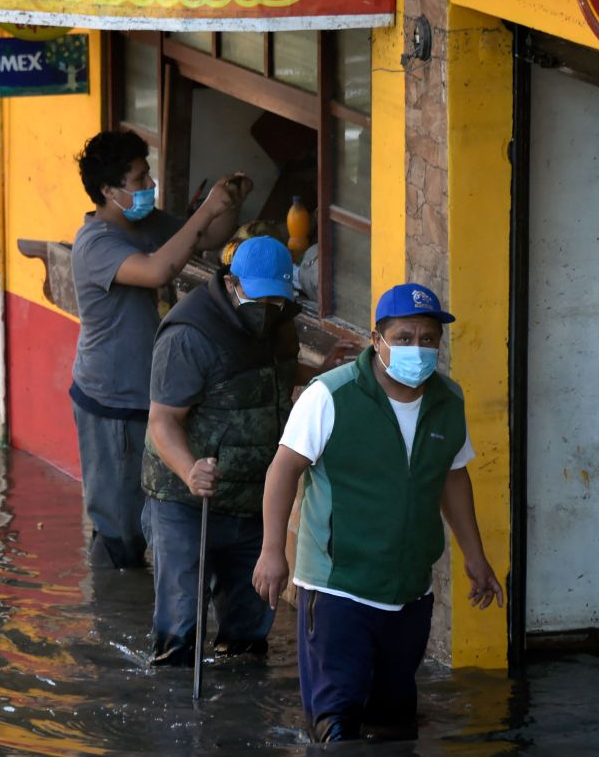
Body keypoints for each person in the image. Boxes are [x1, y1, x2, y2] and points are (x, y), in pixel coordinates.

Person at [251, 282, 504, 742]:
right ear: (377, 340)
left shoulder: (448, 400)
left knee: (394, 724)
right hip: (337, 587)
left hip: (409, 590)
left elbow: (452, 477)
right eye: (404, 338)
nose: (418, 349)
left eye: (428, 339)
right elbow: (283, 469)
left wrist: (475, 556)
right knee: (336, 726)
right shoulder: (330, 396)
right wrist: (272, 551)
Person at [71, 129, 248, 569]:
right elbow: (157, 270)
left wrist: (228, 203)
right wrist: (205, 210)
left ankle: (136, 604)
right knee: (119, 529)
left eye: (148, 175)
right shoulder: (95, 244)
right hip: (111, 400)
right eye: (138, 180)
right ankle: (108, 611)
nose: (149, 186)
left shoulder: (143, 222)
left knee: (156, 518)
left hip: (151, 395)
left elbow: (204, 238)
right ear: (109, 191)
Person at [142, 236, 299, 665]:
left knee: (248, 630)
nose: (268, 308)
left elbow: (270, 377)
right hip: (188, 498)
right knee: (180, 623)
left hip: (251, 496)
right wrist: (190, 470)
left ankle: (242, 713)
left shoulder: (280, 321)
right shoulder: (189, 335)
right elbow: (162, 420)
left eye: (277, 299)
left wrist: (317, 371)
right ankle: (174, 702)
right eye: (259, 296)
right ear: (232, 283)